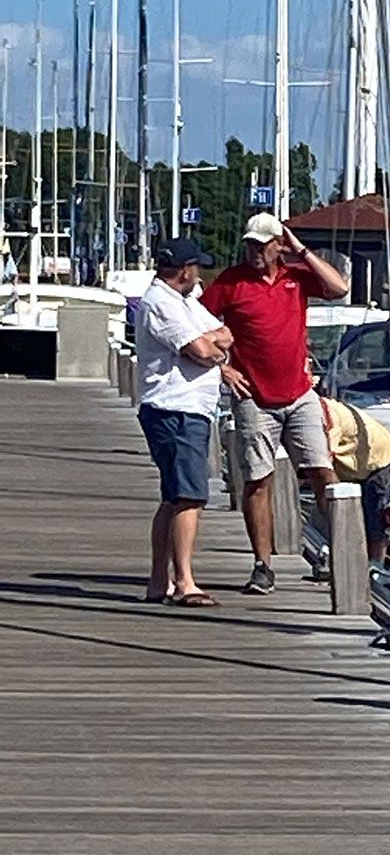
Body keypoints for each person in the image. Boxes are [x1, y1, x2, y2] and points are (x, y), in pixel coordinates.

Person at [201, 212, 349, 594]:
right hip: (254, 397)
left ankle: (339, 551)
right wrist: (222, 368)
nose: (254, 251)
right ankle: (262, 565)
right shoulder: (231, 282)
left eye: (262, 244)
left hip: (299, 394)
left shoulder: (296, 277)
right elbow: (195, 325)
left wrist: (300, 249)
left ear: (277, 245)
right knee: (257, 480)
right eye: (249, 243)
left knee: (322, 472)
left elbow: (339, 288)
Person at [135, 238, 233, 607]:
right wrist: (212, 346)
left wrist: (213, 343)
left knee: (173, 497)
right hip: (175, 408)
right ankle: (184, 581)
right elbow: (205, 350)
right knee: (189, 496)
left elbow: (225, 334)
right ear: (185, 269)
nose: (199, 274)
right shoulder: (160, 303)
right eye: (196, 268)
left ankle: (159, 580)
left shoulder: (186, 302)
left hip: (188, 408)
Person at [320, 397, 390, 563]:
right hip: (354, 468)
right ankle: (355, 560)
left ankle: (375, 564)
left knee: (375, 517)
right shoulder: (321, 411)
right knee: (361, 517)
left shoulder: (328, 415)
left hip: (379, 460)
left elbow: (324, 456)